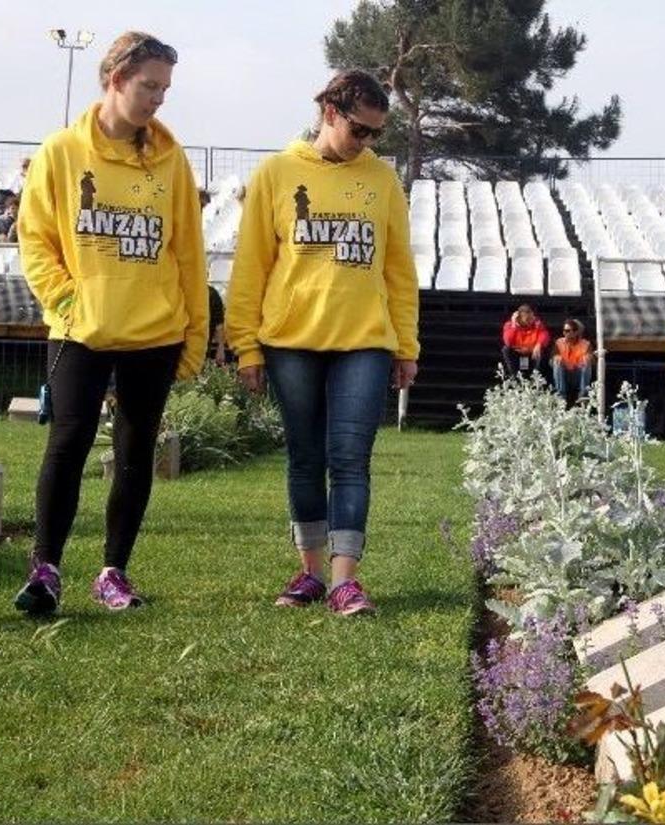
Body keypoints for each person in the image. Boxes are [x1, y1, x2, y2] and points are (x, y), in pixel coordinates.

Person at [13, 31, 208, 616]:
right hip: (81, 329)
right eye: (150, 85)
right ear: (116, 79)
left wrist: (194, 337)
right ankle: (45, 571)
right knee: (66, 443)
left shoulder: (172, 160)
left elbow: (188, 255)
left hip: (155, 331)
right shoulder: (61, 152)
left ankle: (113, 572)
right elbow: (36, 239)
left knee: (134, 451)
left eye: (165, 89)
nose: (158, 99)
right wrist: (68, 302)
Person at [225, 69, 418, 617]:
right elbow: (251, 268)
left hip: (365, 342)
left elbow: (399, 271)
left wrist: (407, 346)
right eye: (361, 130)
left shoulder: (383, 180)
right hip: (291, 343)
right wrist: (247, 347)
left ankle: (344, 581)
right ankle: (309, 573)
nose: (368, 143)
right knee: (305, 459)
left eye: (377, 134)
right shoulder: (276, 173)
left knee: (351, 459)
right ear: (330, 113)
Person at [501, 304, 550, 377]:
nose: (530, 321)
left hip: (532, 353)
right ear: (519, 318)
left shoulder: (537, 323)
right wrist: (514, 325)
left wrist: (539, 344)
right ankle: (515, 379)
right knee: (506, 349)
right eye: (527, 319)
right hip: (517, 353)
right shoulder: (509, 325)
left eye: (531, 318)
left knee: (541, 350)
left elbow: (545, 335)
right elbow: (508, 342)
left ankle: (535, 379)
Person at [552, 318, 593, 403]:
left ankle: (582, 396)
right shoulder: (558, 342)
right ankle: (561, 397)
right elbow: (550, 361)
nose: (570, 333)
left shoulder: (586, 344)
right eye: (567, 330)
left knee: (587, 364)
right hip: (564, 376)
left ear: (577, 332)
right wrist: (555, 358)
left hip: (578, 376)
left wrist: (589, 358)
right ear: (563, 332)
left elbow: (594, 362)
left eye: (573, 330)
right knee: (556, 363)